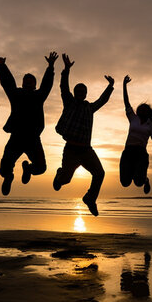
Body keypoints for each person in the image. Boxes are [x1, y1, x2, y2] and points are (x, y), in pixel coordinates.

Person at [53, 53, 114, 216]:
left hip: (87, 151)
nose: (80, 93)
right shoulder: (69, 102)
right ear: (75, 93)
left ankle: (89, 198)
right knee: (66, 180)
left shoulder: (90, 108)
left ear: (86, 93)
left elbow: (102, 100)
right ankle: (59, 176)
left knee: (100, 174)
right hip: (71, 150)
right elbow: (63, 88)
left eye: (83, 91)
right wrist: (66, 70)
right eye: (78, 91)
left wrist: (110, 86)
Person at [0, 52, 57, 195]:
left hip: (33, 139)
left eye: (31, 82)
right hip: (16, 137)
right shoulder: (16, 94)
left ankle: (28, 169)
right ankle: (9, 176)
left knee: (41, 168)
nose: (28, 83)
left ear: (35, 85)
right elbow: (7, 83)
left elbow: (47, 85)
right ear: (22, 83)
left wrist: (50, 67)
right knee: (4, 169)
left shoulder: (39, 96)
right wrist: (2, 66)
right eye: (26, 81)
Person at [120, 76, 152, 194]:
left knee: (139, 183)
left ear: (148, 112)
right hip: (128, 152)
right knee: (125, 183)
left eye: (145, 109)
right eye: (140, 109)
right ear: (138, 111)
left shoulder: (151, 125)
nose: (142, 110)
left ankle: (145, 179)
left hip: (140, 153)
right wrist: (124, 85)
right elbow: (126, 101)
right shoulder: (133, 118)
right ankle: (136, 173)